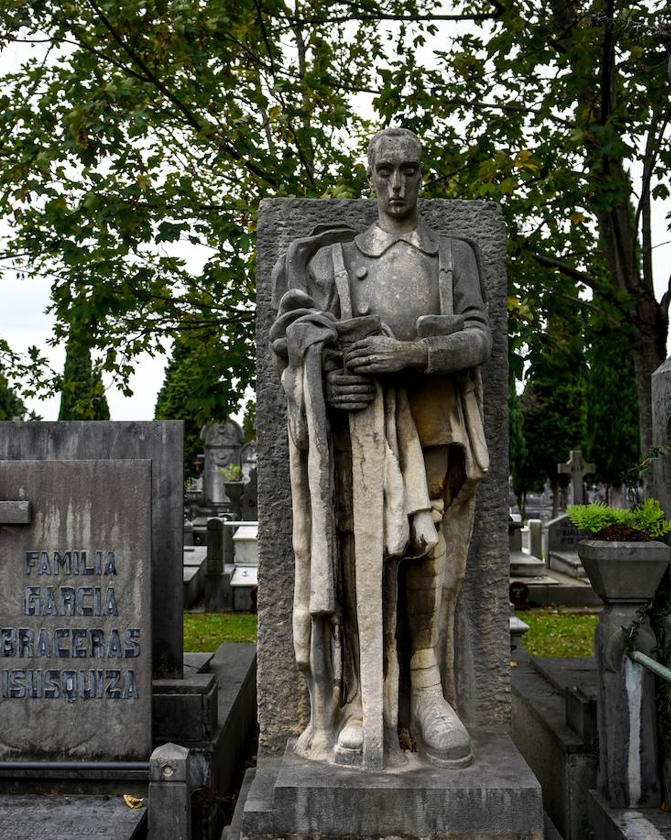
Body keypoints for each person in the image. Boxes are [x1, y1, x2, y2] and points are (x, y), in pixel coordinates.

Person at [270, 127, 490, 769]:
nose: (398, 184)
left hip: (431, 425)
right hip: (360, 438)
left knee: (426, 550)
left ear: (423, 177)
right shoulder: (337, 263)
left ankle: (425, 688)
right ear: (369, 176)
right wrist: (323, 382)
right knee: (358, 551)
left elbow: (478, 337)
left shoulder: (453, 258)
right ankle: (365, 698)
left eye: (410, 171)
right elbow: (295, 347)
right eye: (386, 170)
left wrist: (412, 354)